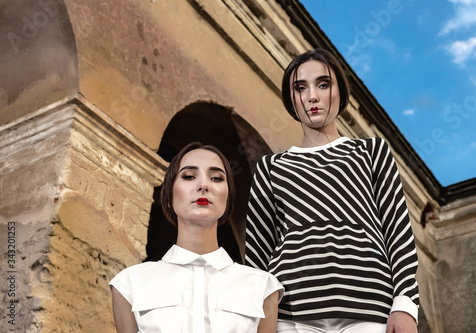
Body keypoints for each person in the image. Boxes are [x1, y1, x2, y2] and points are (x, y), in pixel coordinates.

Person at [245, 49, 419, 333]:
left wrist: (405, 304)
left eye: (323, 84)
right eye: (300, 88)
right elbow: (257, 255)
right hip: (292, 315)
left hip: (370, 308)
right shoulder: (270, 167)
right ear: (291, 99)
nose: (312, 96)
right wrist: (258, 319)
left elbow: (398, 234)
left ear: (340, 92)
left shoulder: (372, 151)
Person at [110, 142, 284, 333]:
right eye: (189, 176)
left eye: (216, 178)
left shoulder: (263, 287)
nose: (203, 185)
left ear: (227, 197)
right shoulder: (129, 284)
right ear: (169, 194)